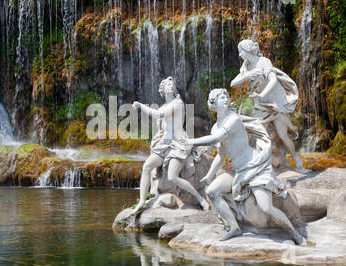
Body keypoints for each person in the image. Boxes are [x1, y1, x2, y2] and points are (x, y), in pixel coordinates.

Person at [179, 88, 306, 245]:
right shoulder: (215, 127)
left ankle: (294, 233)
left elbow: (217, 138)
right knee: (212, 191)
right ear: (213, 104)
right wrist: (210, 174)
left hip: (255, 167)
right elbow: (221, 154)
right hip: (238, 170)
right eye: (220, 97)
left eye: (226, 96)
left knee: (266, 207)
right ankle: (234, 227)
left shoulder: (233, 119)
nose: (225, 98)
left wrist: (191, 142)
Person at [131, 76, 210, 214]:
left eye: (172, 84)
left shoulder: (177, 103)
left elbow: (157, 115)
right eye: (168, 85)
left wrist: (140, 105)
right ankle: (142, 201)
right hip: (165, 143)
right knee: (146, 167)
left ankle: (200, 199)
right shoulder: (164, 106)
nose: (171, 86)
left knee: (172, 176)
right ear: (162, 89)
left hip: (178, 143)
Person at [230, 39, 304, 169]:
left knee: (283, 135)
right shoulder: (246, 66)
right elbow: (233, 83)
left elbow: (273, 80)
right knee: (259, 133)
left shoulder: (264, 62)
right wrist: (246, 76)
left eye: (241, 51)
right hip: (260, 103)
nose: (240, 54)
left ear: (248, 50)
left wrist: (261, 94)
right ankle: (261, 163)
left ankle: (295, 157)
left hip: (276, 101)